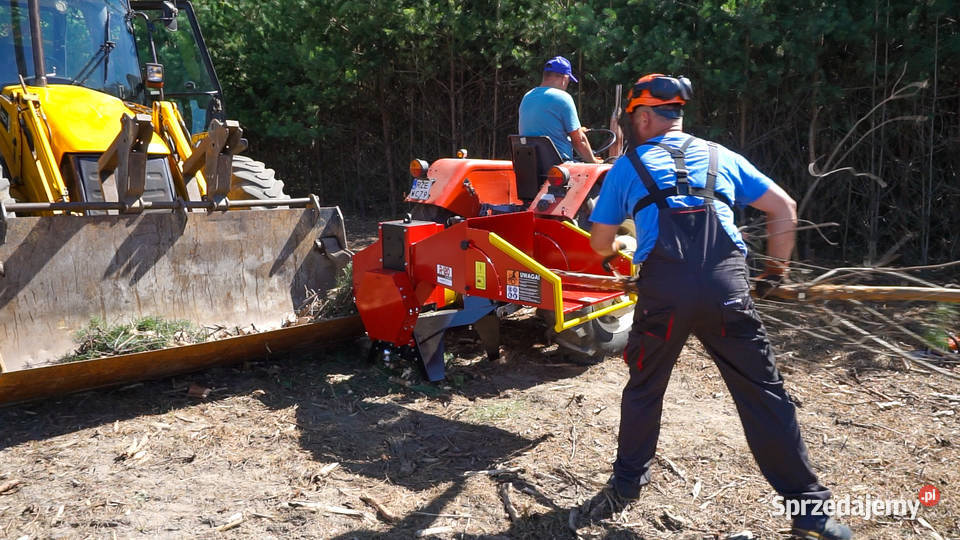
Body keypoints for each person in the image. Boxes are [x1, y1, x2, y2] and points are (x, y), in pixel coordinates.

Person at [587, 73, 852, 540]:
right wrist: (775, 273)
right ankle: (811, 511)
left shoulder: (628, 166)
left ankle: (627, 483)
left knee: (645, 387)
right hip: (726, 290)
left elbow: (600, 241)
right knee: (764, 394)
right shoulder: (720, 155)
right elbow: (784, 208)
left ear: (644, 116)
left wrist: (615, 260)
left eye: (632, 119)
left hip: (663, 295)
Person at [518, 56, 601, 164]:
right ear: (564, 78)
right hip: (558, 166)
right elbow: (579, 141)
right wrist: (593, 161)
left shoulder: (527, 97)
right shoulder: (563, 97)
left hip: (529, 166)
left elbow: (542, 130)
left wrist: (574, 132)